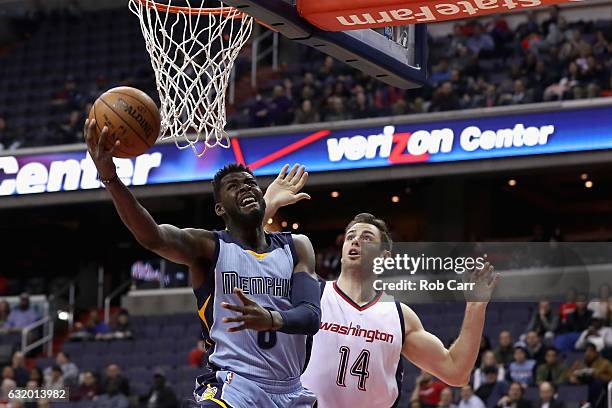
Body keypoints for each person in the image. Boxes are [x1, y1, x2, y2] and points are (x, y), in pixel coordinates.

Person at [85, 119, 321, 408]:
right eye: (233, 187)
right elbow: (153, 237)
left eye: (250, 184)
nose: (245, 188)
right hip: (236, 385)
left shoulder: (297, 246)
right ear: (220, 208)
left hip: (291, 389)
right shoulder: (209, 247)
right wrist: (110, 177)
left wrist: (272, 319)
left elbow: (310, 317)